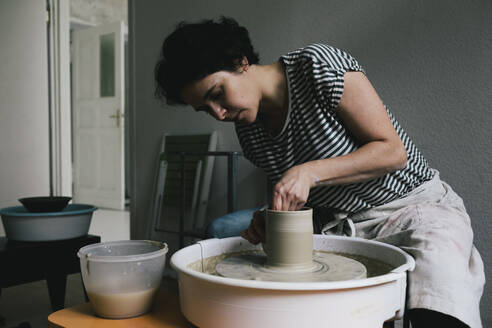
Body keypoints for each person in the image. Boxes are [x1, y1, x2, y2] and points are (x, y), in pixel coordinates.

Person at [154, 17, 484, 328]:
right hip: (337, 225)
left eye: (217, 94)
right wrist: (272, 219)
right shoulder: (251, 131)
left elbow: (392, 152)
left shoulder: (316, 65)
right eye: (205, 109)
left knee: (439, 291)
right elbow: (304, 201)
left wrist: (309, 172)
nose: (219, 113)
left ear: (240, 61)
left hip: (413, 208)